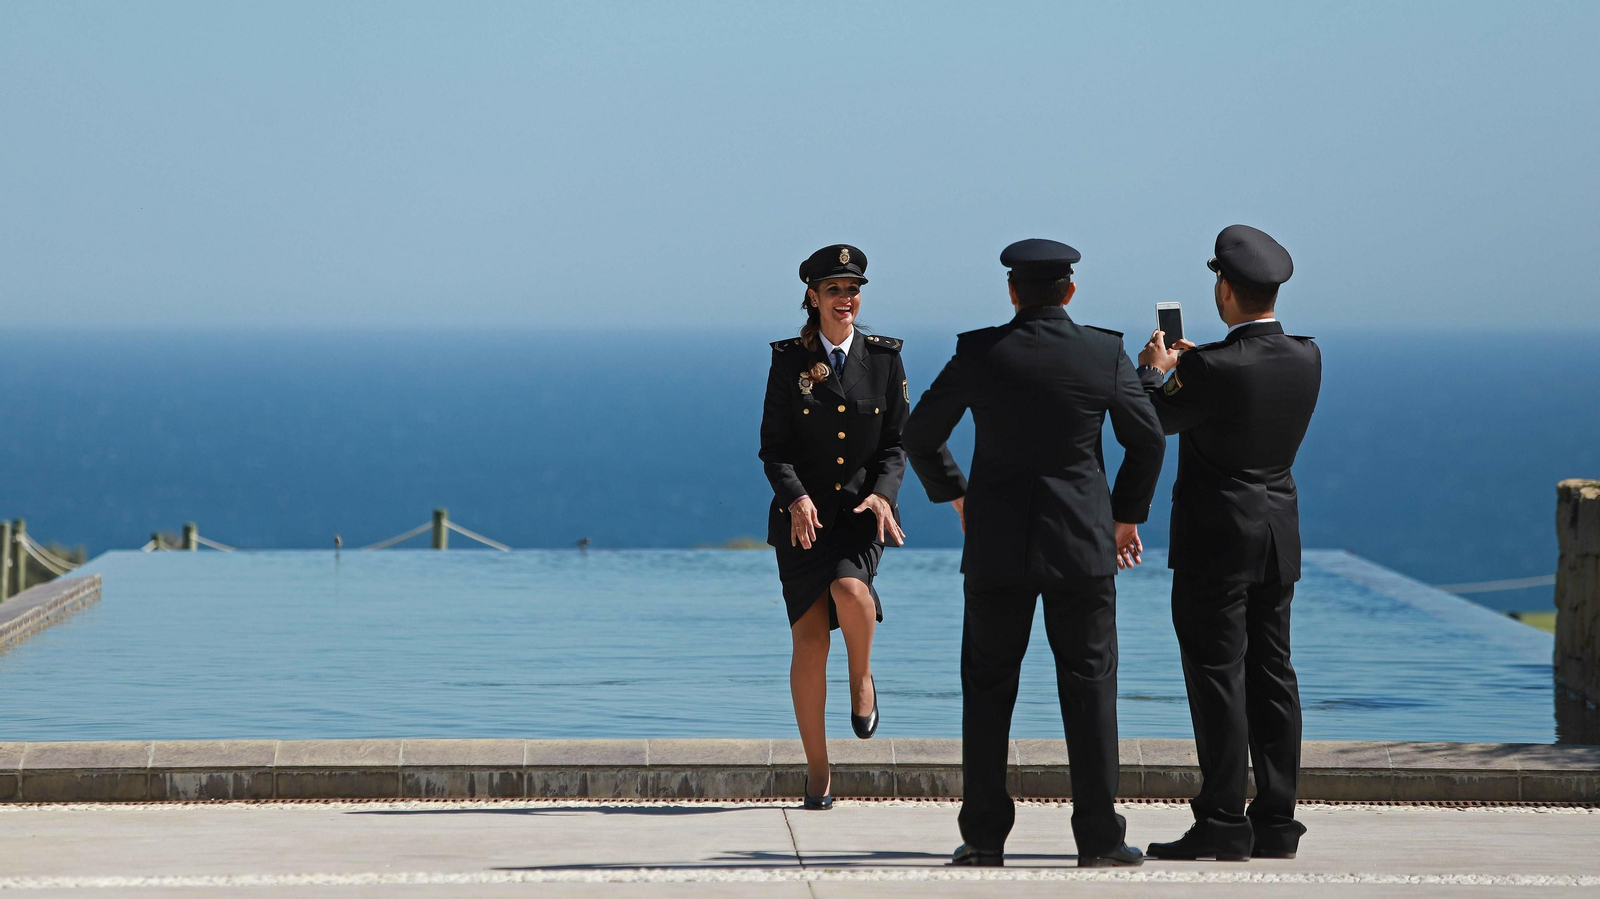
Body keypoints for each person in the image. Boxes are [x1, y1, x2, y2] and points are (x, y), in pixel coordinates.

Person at [903, 238, 1164, 868]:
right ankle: (1099, 838)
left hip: (996, 545)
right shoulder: (1105, 351)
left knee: (988, 689)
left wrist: (958, 496)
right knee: (1092, 687)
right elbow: (1148, 441)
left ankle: (985, 838)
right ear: (1069, 292)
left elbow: (918, 434)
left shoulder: (979, 351)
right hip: (1082, 547)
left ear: (1013, 292)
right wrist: (1123, 517)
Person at [1136, 224, 1321, 861]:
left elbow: (1152, 419)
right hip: (1277, 533)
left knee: (1217, 677)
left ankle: (1220, 819)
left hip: (1217, 541)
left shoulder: (1211, 366)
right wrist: (1193, 368)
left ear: (1225, 288)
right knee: (1274, 675)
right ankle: (1276, 821)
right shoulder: (1307, 354)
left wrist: (1155, 373)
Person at [759, 243, 909, 811]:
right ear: (812, 297)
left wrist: (883, 495)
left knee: (852, 590)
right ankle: (818, 769)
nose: (845, 299)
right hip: (802, 521)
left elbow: (897, 443)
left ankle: (863, 677)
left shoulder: (886, 358)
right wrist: (795, 498)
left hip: (858, 515)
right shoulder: (786, 361)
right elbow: (773, 450)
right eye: (834, 290)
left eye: (852, 289)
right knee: (808, 643)